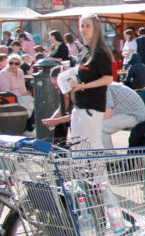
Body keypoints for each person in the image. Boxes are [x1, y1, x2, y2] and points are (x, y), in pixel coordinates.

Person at [45, 15, 114, 149]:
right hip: (79, 106)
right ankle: (79, 170)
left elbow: (108, 78)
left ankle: (99, 171)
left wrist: (83, 86)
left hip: (92, 107)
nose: (83, 29)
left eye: (87, 26)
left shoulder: (100, 52)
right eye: (82, 26)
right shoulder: (83, 50)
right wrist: (71, 78)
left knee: (93, 146)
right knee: (77, 147)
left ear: (96, 28)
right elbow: (84, 73)